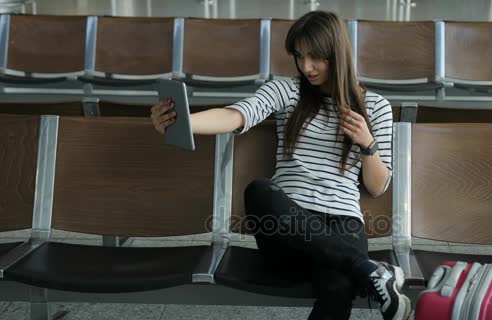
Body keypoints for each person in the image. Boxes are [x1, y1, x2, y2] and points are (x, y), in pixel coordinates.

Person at [150, 11, 411, 320]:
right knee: (260, 191)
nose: (306, 67)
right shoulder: (286, 92)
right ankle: (369, 269)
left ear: (337, 53)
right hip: (285, 228)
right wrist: (182, 123)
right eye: (299, 56)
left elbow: (377, 186)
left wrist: (367, 144)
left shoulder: (376, 107)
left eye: (315, 57)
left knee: (339, 287)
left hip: (342, 221)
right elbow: (237, 115)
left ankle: (359, 268)